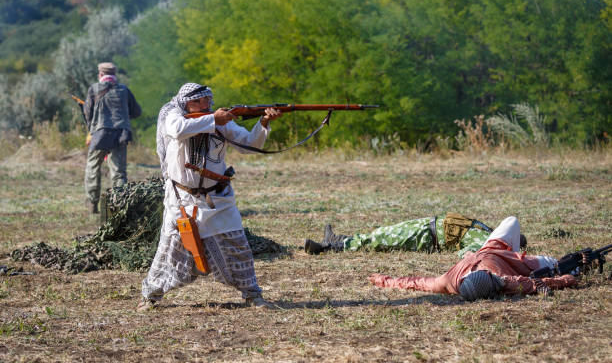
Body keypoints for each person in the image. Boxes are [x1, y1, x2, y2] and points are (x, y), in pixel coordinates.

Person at [138, 83, 282, 311]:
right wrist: (214, 119)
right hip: (181, 199)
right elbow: (177, 129)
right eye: (199, 102)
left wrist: (264, 121)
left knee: (238, 248)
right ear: (186, 103)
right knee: (170, 252)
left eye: (207, 100)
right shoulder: (173, 114)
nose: (205, 105)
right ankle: (151, 297)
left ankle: (253, 295)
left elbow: (249, 144)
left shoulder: (219, 120)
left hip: (218, 199)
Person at [368, 216, 577, 300]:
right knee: (553, 263)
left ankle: (515, 246)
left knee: (512, 220)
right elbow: (533, 283)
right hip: (515, 262)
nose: (498, 279)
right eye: (497, 281)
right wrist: (565, 279)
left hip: (490, 247)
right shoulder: (503, 281)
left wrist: (383, 280)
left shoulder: (447, 281)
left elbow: (417, 283)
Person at [304, 213, 527, 258]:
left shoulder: (487, 241)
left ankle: (329, 247)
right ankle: (341, 239)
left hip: (426, 236)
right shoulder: (488, 231)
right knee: (382, 233)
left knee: (382, 238)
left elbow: (467, 255)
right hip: (426, 225)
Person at [83, 62, 141, 213]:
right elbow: (136, 112)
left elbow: (87, 113)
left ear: (100, 75)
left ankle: (92, 203)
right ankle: (120, 204)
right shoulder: (124, 90)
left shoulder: (94, 89)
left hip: (100, 134)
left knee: (92, 168)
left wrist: (91, 127)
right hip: (121, 134)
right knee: (118, 172)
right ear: (114, 75)